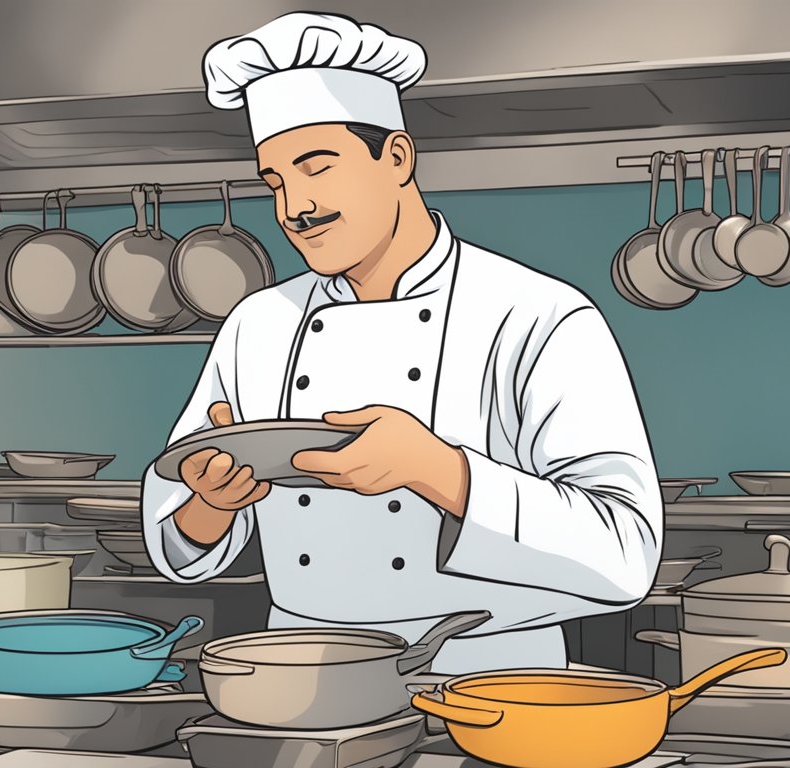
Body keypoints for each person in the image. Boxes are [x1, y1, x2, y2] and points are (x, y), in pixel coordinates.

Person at [140, 11, 662, 674]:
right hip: (305, 669)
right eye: (275, 182)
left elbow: (626, 553)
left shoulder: (538, 315)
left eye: (317, 168)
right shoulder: (259, 324)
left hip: (492, 677)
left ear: (396, 158)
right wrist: (213, 505)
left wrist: (438, 470)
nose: (294, 207)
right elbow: (180, 537)